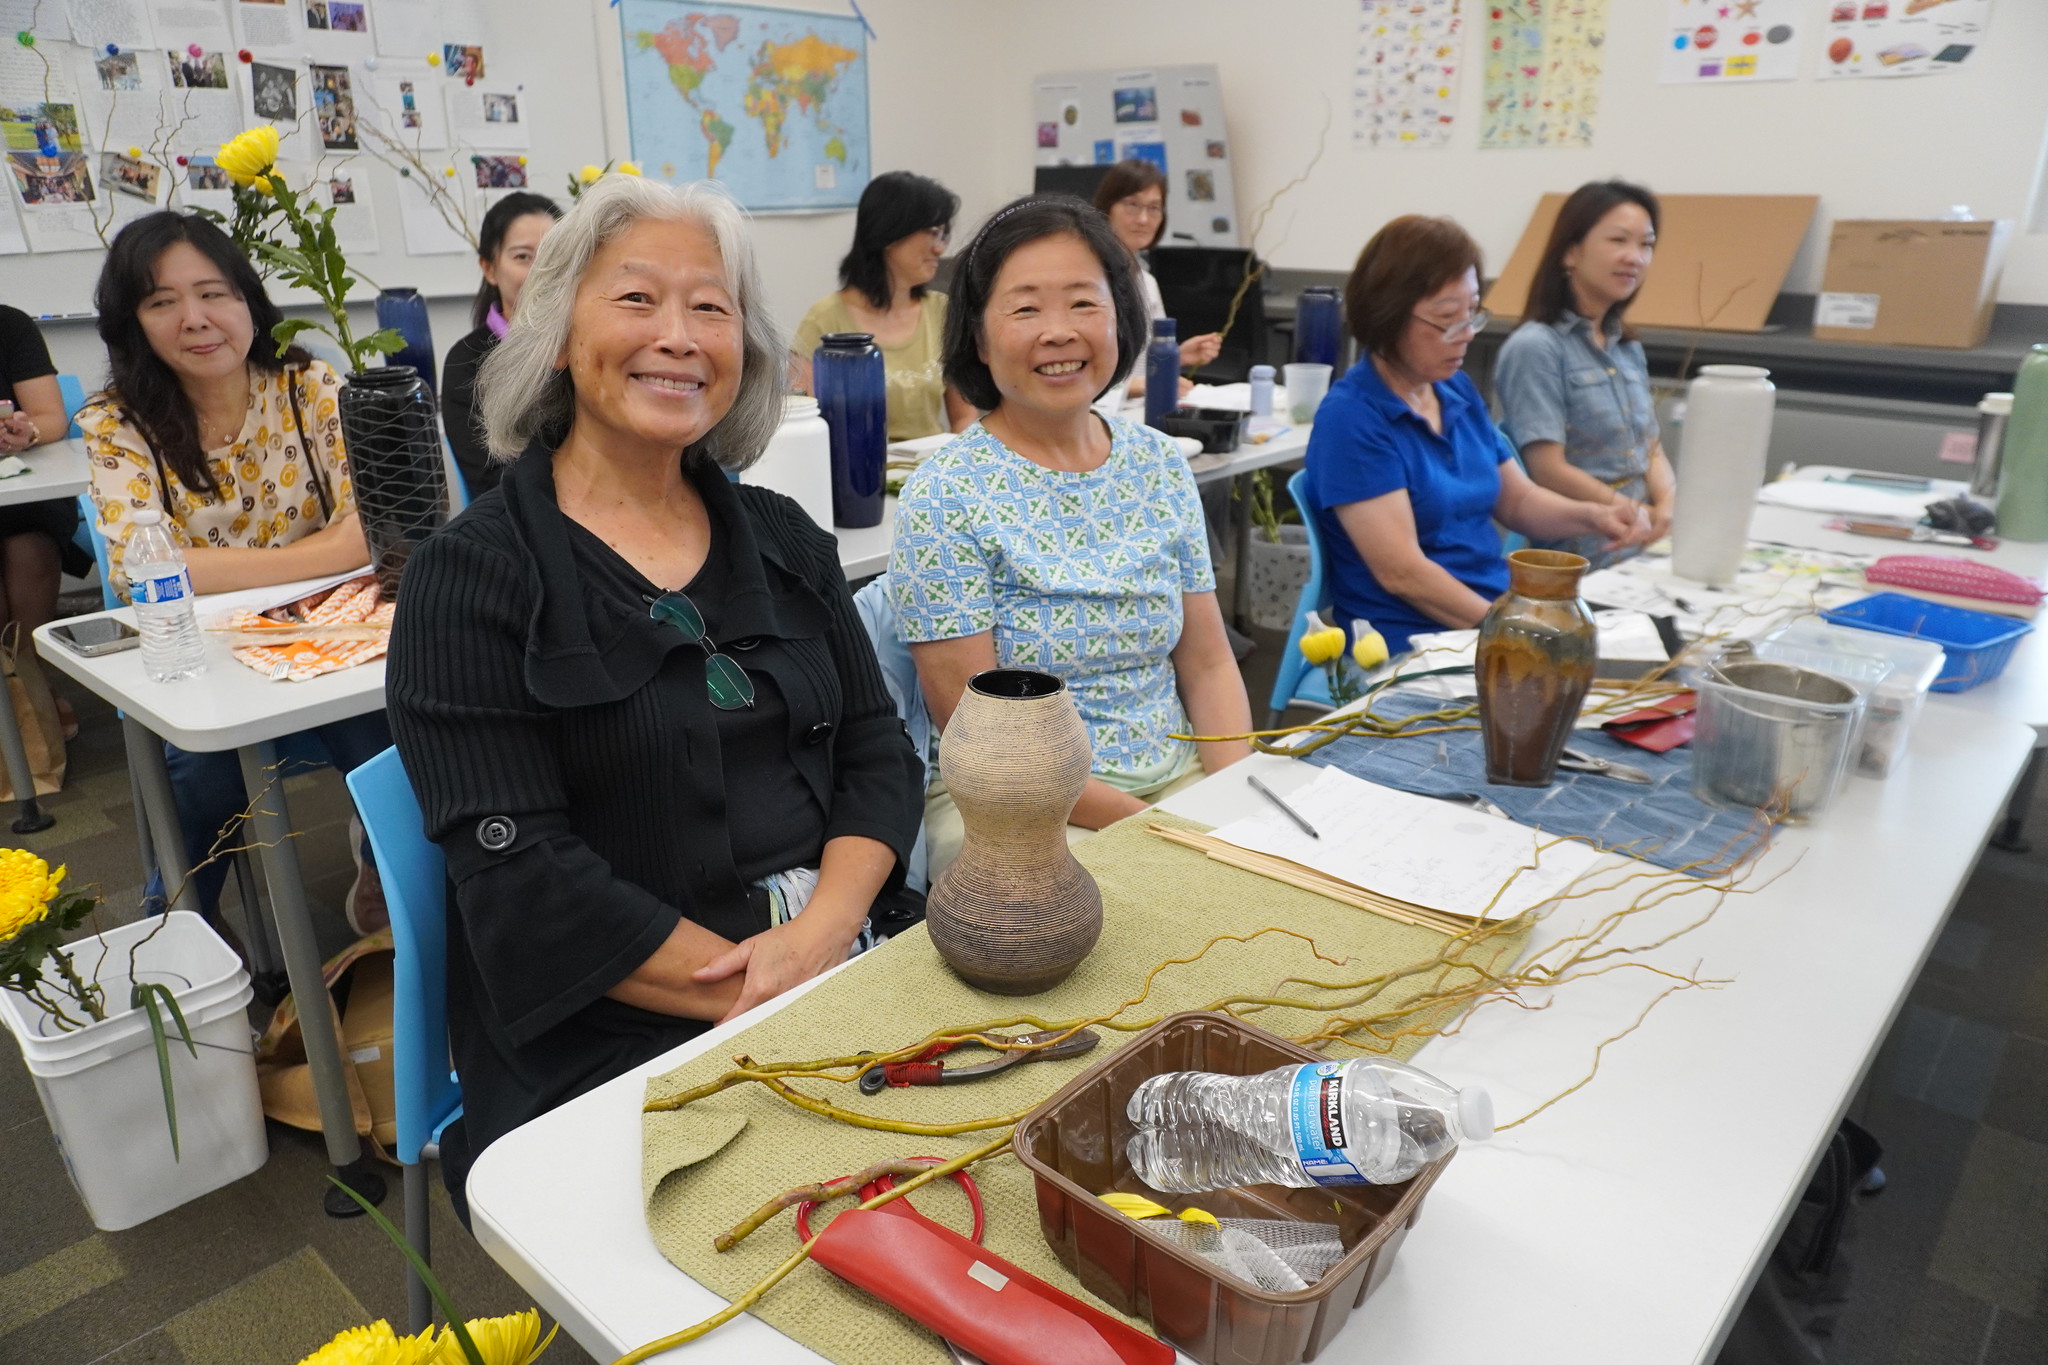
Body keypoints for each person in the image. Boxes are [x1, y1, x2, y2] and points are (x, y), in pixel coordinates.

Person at [386, 176, 923, 1208]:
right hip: (614, 1020)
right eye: (635, 299)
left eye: (710, 308)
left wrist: (820, 943)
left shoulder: (784, 538)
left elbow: (875, 751)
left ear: (743, 354)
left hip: (838, 946)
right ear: (554, 336)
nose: (677, 335)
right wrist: (767, 990)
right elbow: (523, 877)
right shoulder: (472, 578)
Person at [891, 196, 1252, 876]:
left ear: (1121, 316)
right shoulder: (946, 495)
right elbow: (989, 744)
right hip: (1018, 808)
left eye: (1084, 304)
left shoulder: (1160, 464)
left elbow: (1207, 663)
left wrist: (1236, 802)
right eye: (1026, 308)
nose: (1059, 332)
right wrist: (1163, 830)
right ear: (977, 334)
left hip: (1178, 779)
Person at [79, 211, 391, 922]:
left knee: (388, 726)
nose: (195, 318)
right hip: (206, 661)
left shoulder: (309, 386)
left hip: (326, 642)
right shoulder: (118, 420)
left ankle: (385, 867)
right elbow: (142, 567)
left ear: (249, 300)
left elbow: (369, 533)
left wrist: (208, 567)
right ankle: (183, 920)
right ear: (134, 323)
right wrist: (314, 558)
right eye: (162, 302)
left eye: (214, 292)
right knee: (201, 766)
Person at [1301, 215, 1641, 656]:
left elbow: (1518, 501)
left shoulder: (1452, 388)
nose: (1466, 336)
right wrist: (1511, 631)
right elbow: (1402, 574)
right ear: (1387, 314)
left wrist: (1595, 516)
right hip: (1413, 641)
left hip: (1490, 614)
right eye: (1447, 319)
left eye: (1472, 313)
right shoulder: (1353, 418)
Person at [1493, 181, 1673, 568]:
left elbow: (1649, 446)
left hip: (1641, 542)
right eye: (1619, 240)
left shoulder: (1626, 347)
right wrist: (1631, 512)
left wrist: (1670, 505)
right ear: (1571, 252)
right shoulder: (1536, 347)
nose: (1635, 257)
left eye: (1646, 245)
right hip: (1580, 553)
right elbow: (1547, 468)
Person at [790, 170, 973, 441]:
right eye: (933, 233)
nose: (939, 248)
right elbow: (803, 423)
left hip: (931, 472)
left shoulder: (943, 311)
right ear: (890, 233)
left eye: (943, 235)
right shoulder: (824, 320)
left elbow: (965, 417)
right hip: (856, 474)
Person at [0, 304, 91, 736]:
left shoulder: (9, 325)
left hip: (22, 488)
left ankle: (35, 680)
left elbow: (51, 417)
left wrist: (25, 432)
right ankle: (13, 697)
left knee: (29, 550)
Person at [443, 191, 562, 497]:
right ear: (489, 268)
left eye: (552, 256)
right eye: (523, 256)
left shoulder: (585, 345)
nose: (541, 272)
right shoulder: (466, 361)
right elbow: (489, 480)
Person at [1091, 159, 1221, 397]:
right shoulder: (1090, 278)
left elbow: (1139, 365)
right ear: (1107, 206)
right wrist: (1133, 388)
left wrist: (1177, 356)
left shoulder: (1146, 281)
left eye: (1153, 208)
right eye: (1132, 205)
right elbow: (1079, 374)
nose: (1143, 219)